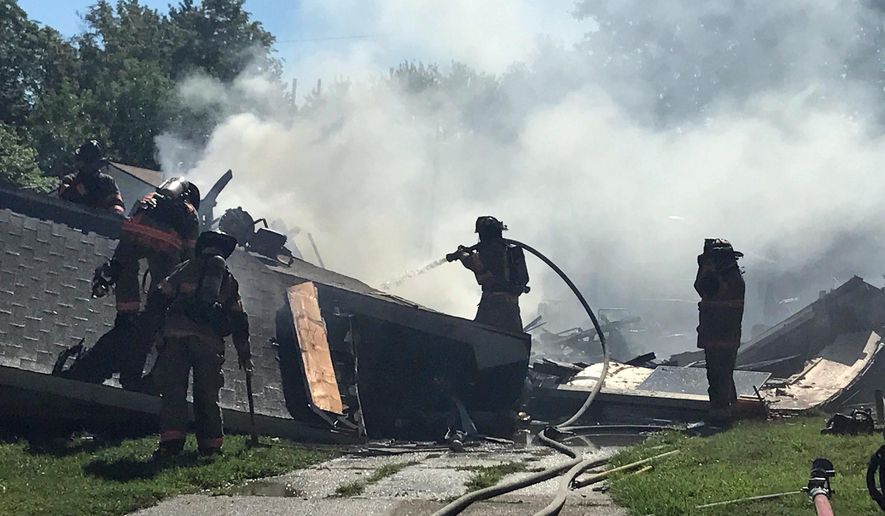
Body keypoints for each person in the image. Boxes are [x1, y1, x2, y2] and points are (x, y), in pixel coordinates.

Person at [57, 177, 201, 391]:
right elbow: (189, 256)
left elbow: (130, 223)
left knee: (124, 268)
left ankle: (127, 314)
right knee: (162, 292)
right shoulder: (190, 212)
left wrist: (116, 264)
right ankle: (153, 314)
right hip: (167, 246)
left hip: (134, 236)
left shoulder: (151, 197)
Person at [147, 230, 251, 458]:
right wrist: (245, 353)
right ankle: (211, 446)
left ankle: (170, 444)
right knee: (207, 395)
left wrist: (155, 332)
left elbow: (159, 296)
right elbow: (238, 318)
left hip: (176, 338)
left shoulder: (185, 268)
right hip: (209, 344)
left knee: (173, 391)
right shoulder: (228, 280)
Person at [694, 238, 746, 425]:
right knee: (723, 374)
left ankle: (720, 416)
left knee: (718, 376)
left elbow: (702, 287)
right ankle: (729, 409)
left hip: (720, 336)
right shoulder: (731, 276)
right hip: (720, 335)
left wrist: (705, 268)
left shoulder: (726, 279)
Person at [457, 216, 530, 333]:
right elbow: (524, 278)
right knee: (514, 338)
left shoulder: (490, 250)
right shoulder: (512, 250)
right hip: (511, 304)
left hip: (492, 302)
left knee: (480, 336)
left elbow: (473, 263)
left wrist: (461, 254)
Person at [56, 140, 125, 216]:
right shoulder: (71, 180)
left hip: (97, 224)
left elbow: (117, 205)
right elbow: (62, 198)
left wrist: (115, 211)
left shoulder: (107, 183)